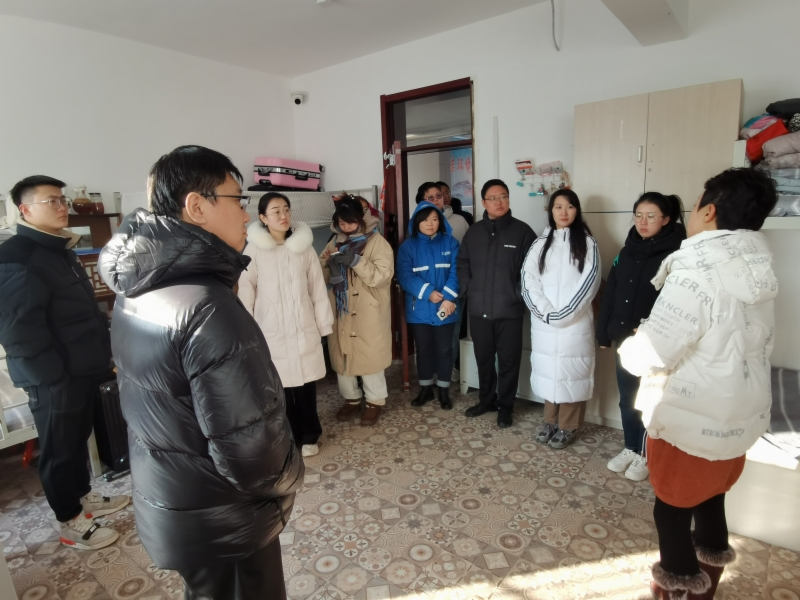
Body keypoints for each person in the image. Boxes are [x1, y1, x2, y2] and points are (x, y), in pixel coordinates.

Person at [99, 146, 303, 600]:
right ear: (197, 206)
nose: (246, 213)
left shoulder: (136, 288)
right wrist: (291, 474)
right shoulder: (207, 306)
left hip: (176, 500)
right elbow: (251, 449)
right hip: (224, 518)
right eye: (238, 199)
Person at [618, 169, 778, 599]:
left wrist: (633, 345)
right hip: (737, 418)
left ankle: (678, 589)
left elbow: (653, 352)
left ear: (708, 211)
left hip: (693, 419)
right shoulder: (757, 269)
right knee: (711, 500)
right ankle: (706, 588)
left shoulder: (696, 271)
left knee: (671, 513)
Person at [0, 176, 127, 550]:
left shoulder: (60, 250)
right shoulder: (17, 255)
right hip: (54, 377)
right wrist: (52, 378)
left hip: (80, 369)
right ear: (25, 210)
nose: (61, 207)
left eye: (62, 200)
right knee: (59, 449)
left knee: (75, 440)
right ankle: (69, 521)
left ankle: (83, 498)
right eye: (51, 201)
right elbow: (17, 329)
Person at [596, 192, 686, 480]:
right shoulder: (627, 251)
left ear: (666, 219)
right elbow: (611, 294)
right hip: (626, 341)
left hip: (657, 345)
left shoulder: (677, 255)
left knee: (652, 402)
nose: (643, 222)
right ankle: (631, 447)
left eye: (651, 216)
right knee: (628, 399)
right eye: (638, 215)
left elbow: (679, 303)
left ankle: (647, 455)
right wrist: (604, 332)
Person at [238, 192, 334, 458]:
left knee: (305, 385)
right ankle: (288, 436)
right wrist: (247, 331)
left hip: (302, 325)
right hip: (271, 330)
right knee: (280, 387)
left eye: (286, 210)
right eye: (276, 211)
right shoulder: (254, 250)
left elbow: (317, 289)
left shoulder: (303, 248)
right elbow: (246, 292)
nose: (283, 216)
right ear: (263, 217)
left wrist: (323, 324)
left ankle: (310, 436)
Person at [522, 189, 600, 449]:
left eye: (569, 206)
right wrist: (546, 312)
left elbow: (589, 283)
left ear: (577, 210)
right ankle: (550, 422)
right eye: (558, 207)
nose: (563, 212)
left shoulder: (587, 244)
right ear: (551, 211)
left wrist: (564, 314)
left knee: (571, 373)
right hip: (545, 322)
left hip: (575, 324)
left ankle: (568, 426)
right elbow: (528, 282)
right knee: (549, 372)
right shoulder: (539, 244)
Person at [457, 179, 536, 428]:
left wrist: (517, 294)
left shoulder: (523, 232)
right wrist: (468, 290)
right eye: (492, 198)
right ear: (483, 202)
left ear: (509, 199)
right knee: (483, 359)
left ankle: (506, 407)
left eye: (503, 196)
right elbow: (462, 264)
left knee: (509, 362)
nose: (498, 202)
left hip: (509, 310)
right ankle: (486, 400)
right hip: (478, 308)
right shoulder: (474, 232)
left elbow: (533, 271)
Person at [320, 196, 394, 426]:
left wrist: (356, 261)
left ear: (361, 219)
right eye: (341, 223)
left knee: (370, 356)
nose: (346, 227)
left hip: (367, 310)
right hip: (342, 309)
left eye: (351, 222)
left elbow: (382, 276)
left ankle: (374, 401)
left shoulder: (377, 242)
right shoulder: (335, 241)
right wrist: (329, 264)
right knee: (342, 354)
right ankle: (351, 398)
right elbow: (319, 274)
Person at [397, 201, 460, 410]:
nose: (430, 223)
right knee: (423, 350)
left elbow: (458, 272)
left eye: (434, 219)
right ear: (416, 223)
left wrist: (448, 298)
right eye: (425, 220)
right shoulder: (407, 247)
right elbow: (405, 276)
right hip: (419, 310)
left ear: (440, 221)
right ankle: (425, 388)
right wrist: (428, 293)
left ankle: (443, 390)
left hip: (446, 308)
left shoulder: (451, 243)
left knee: (444, 349)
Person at [418, 182, 469, 382]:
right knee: (427, 338)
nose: (436, 200)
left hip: (453, 290)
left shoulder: (460, 221)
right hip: (427, 294)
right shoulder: (416, 225)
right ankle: (429, 375)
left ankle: (447, 372)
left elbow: (464, 259)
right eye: (430, 197)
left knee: (451, 334)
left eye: (439, 196)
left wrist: (451, 293)